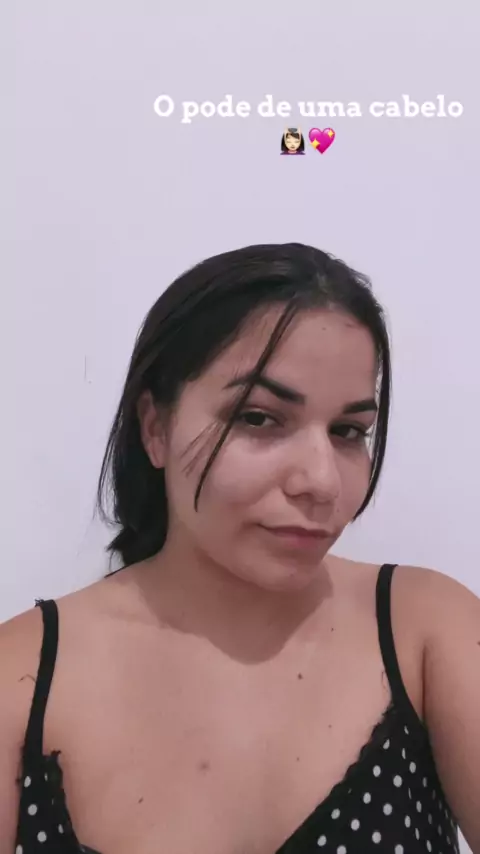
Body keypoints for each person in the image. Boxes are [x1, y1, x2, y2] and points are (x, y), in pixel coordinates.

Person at [1, 243, 479, 854]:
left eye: (348, 431)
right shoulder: (20, 680)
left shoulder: (425, 632)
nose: (321, 482)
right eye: (258, 418)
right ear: (156, 427)